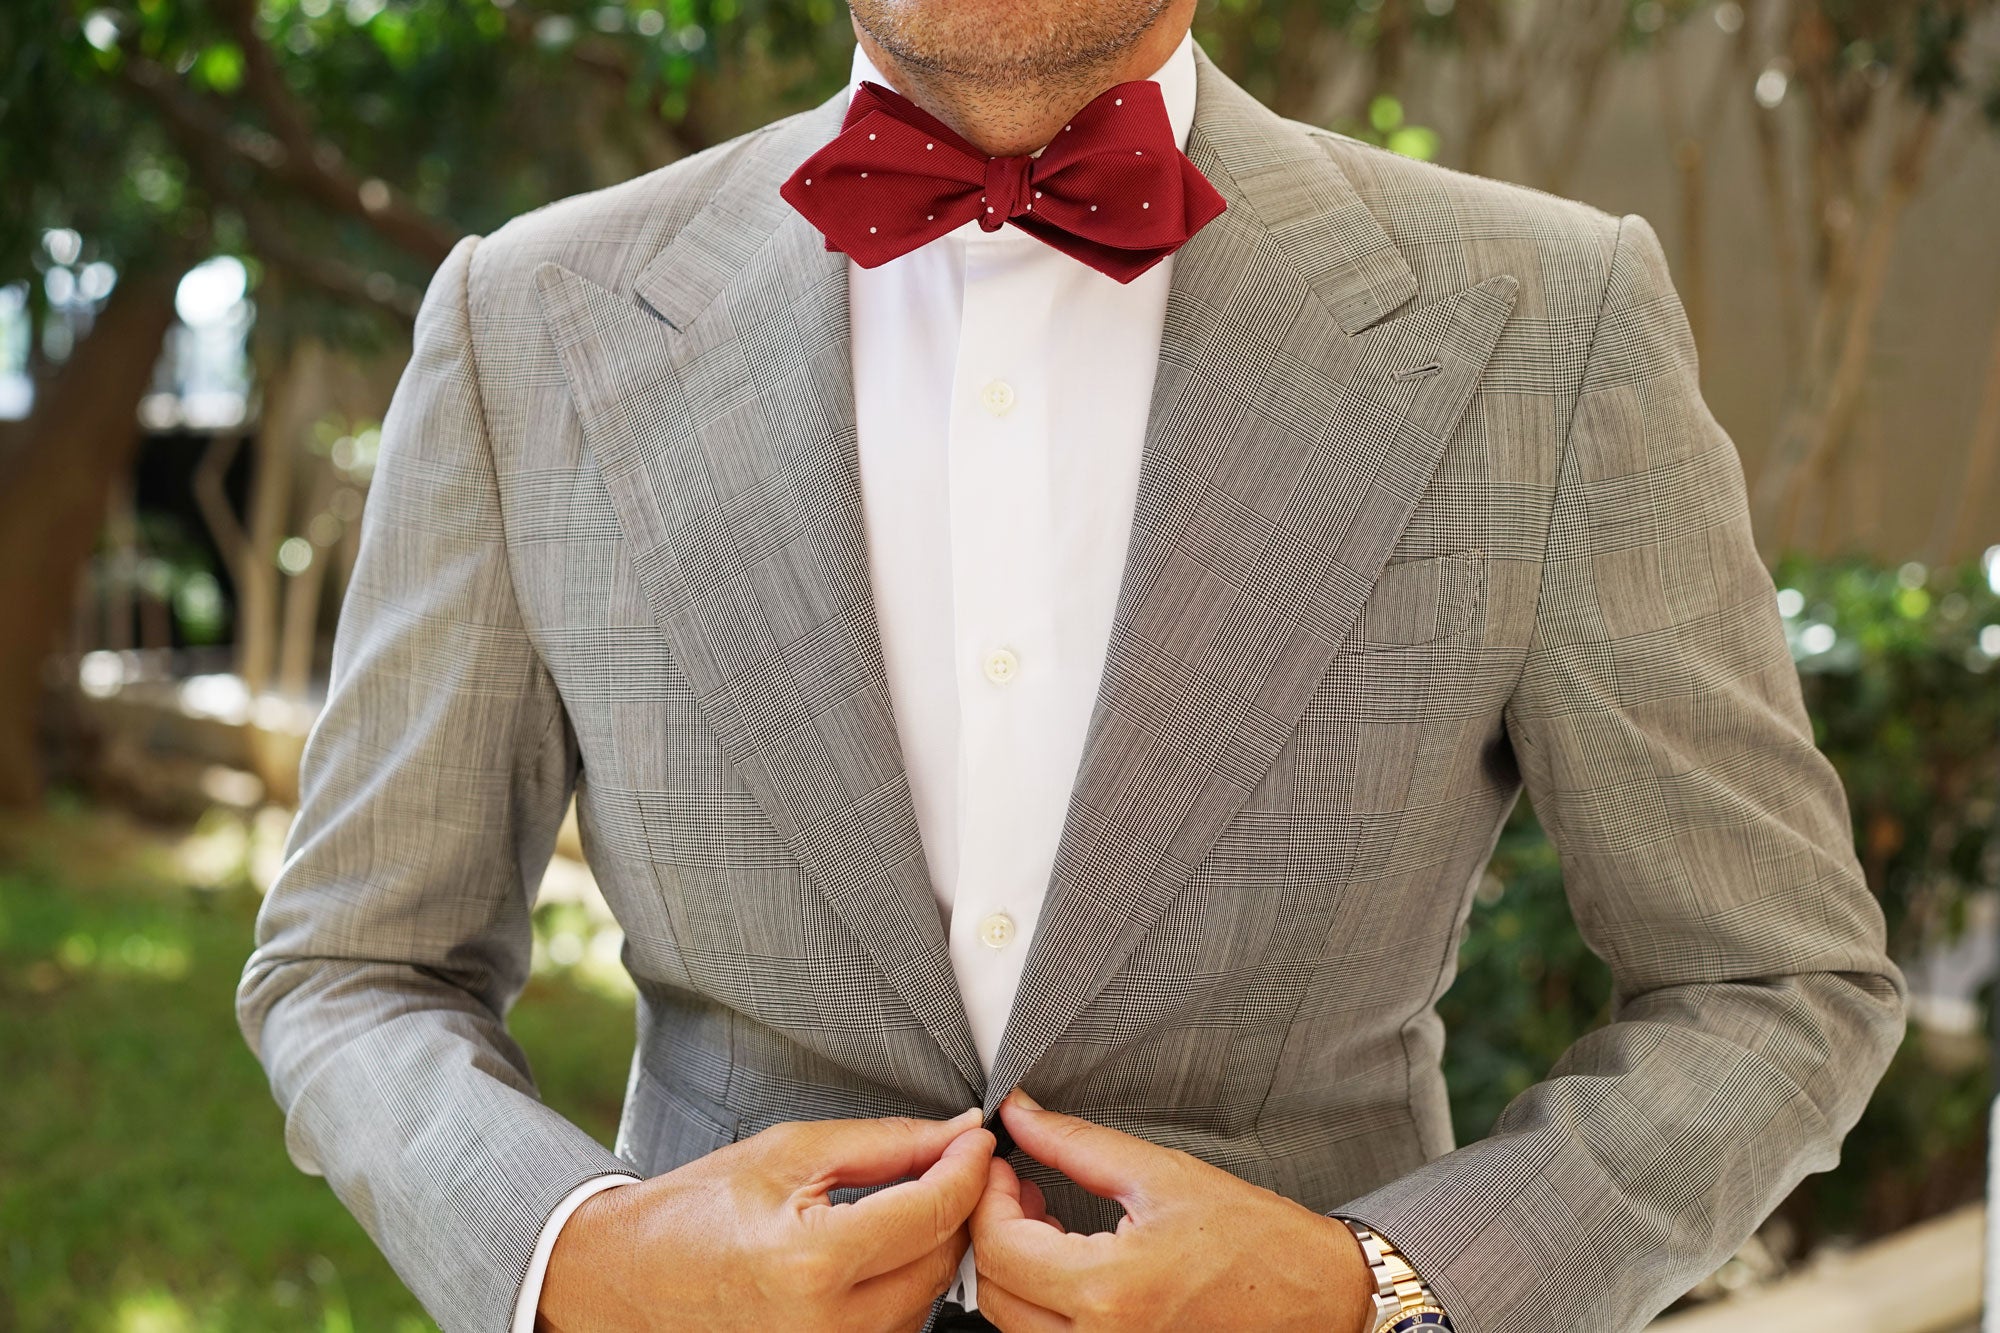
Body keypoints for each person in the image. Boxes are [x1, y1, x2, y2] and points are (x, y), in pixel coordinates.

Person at [235, 1, 1908, 1330]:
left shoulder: (1549, 318)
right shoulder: (528, 320)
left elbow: (1773, 985)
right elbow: (351, 968)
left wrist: (1379, 1286)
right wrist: (577, 1261)